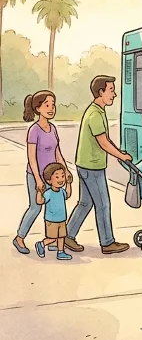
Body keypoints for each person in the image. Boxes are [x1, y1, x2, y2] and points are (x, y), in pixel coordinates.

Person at [64, 75, 132, 254]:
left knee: (85, 203)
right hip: (92, 167)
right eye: (111, 90)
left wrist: (119, 153)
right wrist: (121, 156)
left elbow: (105, 140)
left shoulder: (97, 111)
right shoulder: (95, 114)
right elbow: (103, 142)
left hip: (86, 165)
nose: (114, 94)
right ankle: (107, 242)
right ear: (100, 92)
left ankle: (67, 236)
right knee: (102, 204)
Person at [12, 91, 72, 255]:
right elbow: (31, 157)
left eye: (53, 104)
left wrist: (65, 171)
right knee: (36, 207)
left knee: (53, 208)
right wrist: (38, 180)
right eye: (47, 105)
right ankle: (19, 237)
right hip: (36, 176)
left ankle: (51, 241)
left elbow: (57, 153)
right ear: (38, 108)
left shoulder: (52, 129)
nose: (51, 108)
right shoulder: (34, 130)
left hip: (53, 176)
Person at [35, 163, 72, 261]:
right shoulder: (49, 193)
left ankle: (60, 252)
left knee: (61, 237)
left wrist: (68, 183)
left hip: (62, 219)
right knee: (52, 238)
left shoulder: (61, 191)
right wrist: (39, 192)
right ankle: (41, 244)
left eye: (62, 176)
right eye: (57, 177)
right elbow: (40, 201)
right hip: (51, 220)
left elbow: (68, 194)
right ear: (49, 180)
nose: (61, 179)